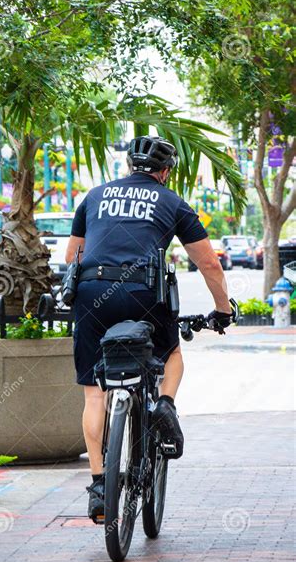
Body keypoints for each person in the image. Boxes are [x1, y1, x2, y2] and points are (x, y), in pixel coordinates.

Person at [65, 136, 233, 523]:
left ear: (129, 165)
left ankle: (98, 487)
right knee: (171, 352)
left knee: (94, 395)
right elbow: (209, 265)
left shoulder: (94, 196)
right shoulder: (173, 202)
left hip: (91, 292)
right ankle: (165, 407)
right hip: (144, 292)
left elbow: (72, 256)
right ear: (166, 171)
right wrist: (222, 310)